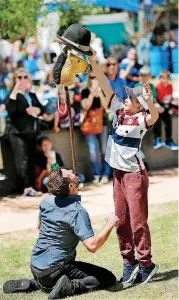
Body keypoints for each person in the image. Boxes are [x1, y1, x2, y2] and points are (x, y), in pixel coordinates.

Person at [88, 47, 159, 284]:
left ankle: (146, 264)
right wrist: (91, 60)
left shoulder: (141, 119)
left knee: (138, 221)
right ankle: (129, 263)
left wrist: (149, 101)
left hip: (134, 174)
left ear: (139, 105)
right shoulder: (117, 110)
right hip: (118, 173)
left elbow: (155, 116)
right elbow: (104, 83)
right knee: (120, 220)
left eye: (131, 98)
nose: (126, 98)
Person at [3, 167, 118, 299]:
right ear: (71, 185)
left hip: (35, 267)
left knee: (54, 272)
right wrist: (110, 224)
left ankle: (35, 283)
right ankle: (69, 287)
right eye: (69, 172)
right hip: (54, 270)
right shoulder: (77, 211)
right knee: (107, 278)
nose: (70, 169)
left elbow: (39, 225)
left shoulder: (46, 200)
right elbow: (92, 246)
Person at [5, 68, 45, 195]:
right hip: (17, 132)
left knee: (32, 159)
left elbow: (42, 109)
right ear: (15, 80)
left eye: (25, 77)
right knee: (22, 160)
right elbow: (10, 108)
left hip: (31, 132)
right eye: (19, 77)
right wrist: (16, 90)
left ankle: (32, 186)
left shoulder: (31, 95)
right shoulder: (13, 95)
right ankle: (26, 187)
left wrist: (35, 110)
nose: (22, 80)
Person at [81, 71, 111, 185]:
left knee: (104, 150)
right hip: (89, 124)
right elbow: (86, 106)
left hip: (102, 123)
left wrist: (99, 92)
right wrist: (92, 93)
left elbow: (105, 106)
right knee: (92, 152)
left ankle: (105, 174)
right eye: (92, 77)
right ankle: (96, 174)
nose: (94, 79)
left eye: (97, 77)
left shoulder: (103, 90)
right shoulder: (85, 91)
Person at [154, 70, 178, 150]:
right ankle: (157, 139)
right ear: (160, 79)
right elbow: (155, 100)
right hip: (158, 106)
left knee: (168, 119)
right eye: (163, 78)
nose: (165, 80)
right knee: (158, 120)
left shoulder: (170, 86)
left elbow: (170, 98)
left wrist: (173, 102)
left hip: (166, 106)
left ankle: (169, 140)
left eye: (167, 78)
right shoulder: (157, 87)